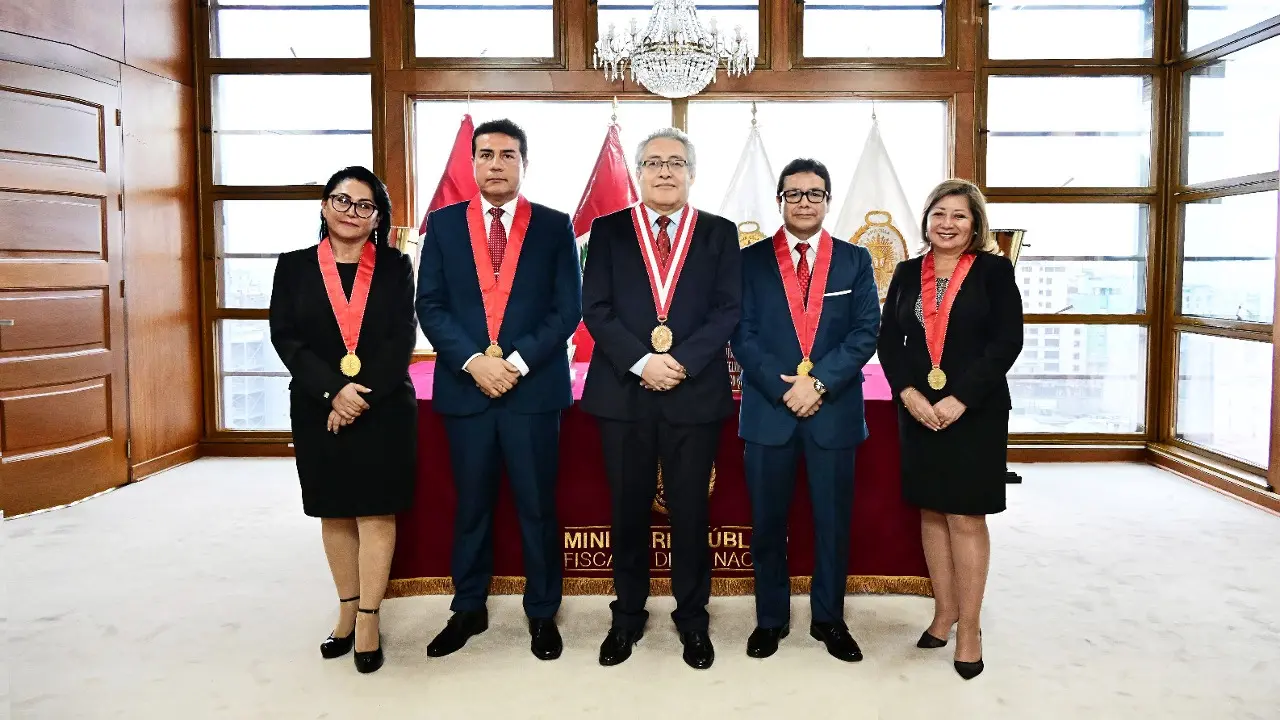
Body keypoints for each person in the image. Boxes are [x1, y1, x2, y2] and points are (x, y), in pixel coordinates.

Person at [416, 118, 581, 662]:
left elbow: (567, 311)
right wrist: (473, 363)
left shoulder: (556, 227)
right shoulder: (440, 226)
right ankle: (468, 607)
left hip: (531, 391)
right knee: (471, 505)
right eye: (485, 154)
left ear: (523, 164)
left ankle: (542, 612)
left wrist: (511, 363)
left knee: (537, 506)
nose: (495, 164)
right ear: (472, 162)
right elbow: (431, 306)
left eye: (507, 155)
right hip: (467, 390)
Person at [580, 127, 742, 670]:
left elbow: (727, 309)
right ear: (639, 173)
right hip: (623, 392)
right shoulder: (607, 231)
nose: (665, 171)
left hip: (692, 392)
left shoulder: (718, 234)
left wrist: (682, 362)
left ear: (692, 173)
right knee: (626, 511)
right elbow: (596, 308)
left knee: (691, 512)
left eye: (676, 162)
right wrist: (642, 361)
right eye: (653, 163)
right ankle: (627, 615)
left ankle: (692, 619)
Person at [269, 166, 418, 674]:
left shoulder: (396, 267)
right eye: (342, 201)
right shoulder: (292, 267)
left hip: (381, 407)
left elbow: (400, 340)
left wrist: (356, 398)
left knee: (375, 511)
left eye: (364, 205)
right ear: (323, 206)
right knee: (334, 511)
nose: (351, 212)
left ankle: (372, 617)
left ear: (378, 217)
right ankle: (346, 609)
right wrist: (333, 391)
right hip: (318, 406)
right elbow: (286, 338)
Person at [731, 159, 881, 662]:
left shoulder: (855, 260)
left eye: (814, 194)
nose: (803, 202)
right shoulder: (749, 261)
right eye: (793, 194)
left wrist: (817, 383)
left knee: (832, 523)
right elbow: (742, 334)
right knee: (768, 522)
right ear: (780, 200)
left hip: (832, 411)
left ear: (827, 200)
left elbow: (865, 332)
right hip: (770, 413)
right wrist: (785, 391)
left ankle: (829, 620)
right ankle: (770, 620)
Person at [876, 178, 1024, 680]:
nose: (947, 223)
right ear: (926, 221)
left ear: (975, 224)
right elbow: (888, 342)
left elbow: (1006, 342)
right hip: (918, 409)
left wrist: (961, 397)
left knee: (965, 515)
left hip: (974, 411)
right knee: (932, 510)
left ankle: (970, 627)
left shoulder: (994, 271)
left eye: (959, 215)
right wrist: (909, 393)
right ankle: (943, 611)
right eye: (939, 213)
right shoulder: (906, 271)